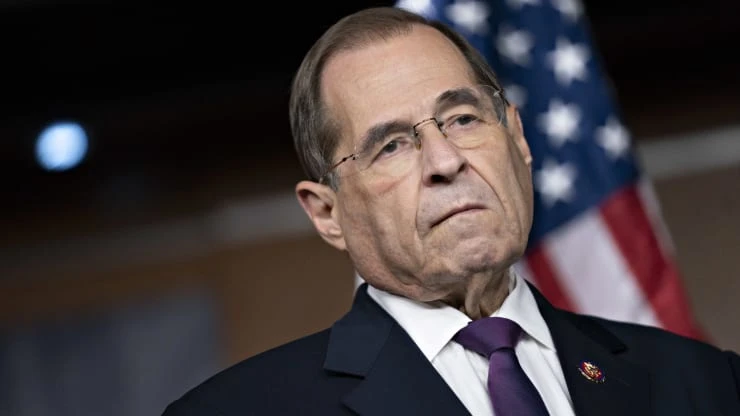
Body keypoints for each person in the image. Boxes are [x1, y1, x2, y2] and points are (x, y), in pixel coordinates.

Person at [162, 7, 740, 415]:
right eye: (391, 145)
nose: (445, 160)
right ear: (327, 213)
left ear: (517, 138)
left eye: (463, 118)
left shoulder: (704, 384)